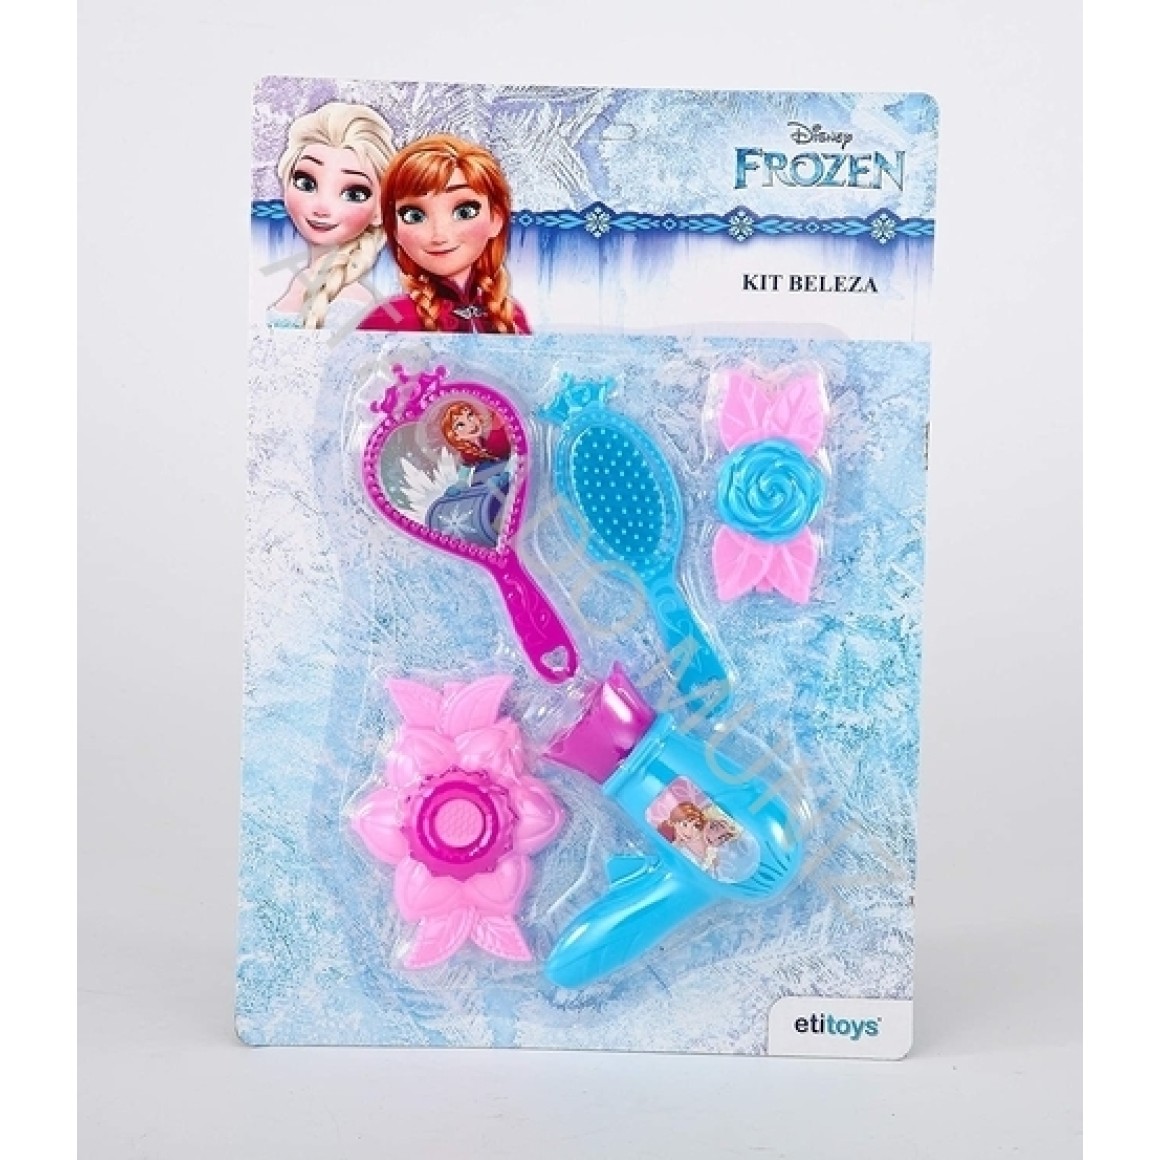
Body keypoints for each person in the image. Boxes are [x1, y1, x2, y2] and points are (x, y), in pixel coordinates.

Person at [358, 134, 531, 334]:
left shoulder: (510, 315)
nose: (439, 235)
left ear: (496, 219)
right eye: (414, 216)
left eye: (464, 212)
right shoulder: (389, 319)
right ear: (395, 230)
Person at [269, 103, 394, 329]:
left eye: (354, 194)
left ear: (379, 209)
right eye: (306, 183)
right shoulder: (303, 278)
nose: (322, 207)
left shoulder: (351, 301)